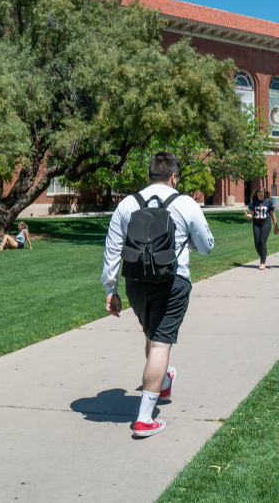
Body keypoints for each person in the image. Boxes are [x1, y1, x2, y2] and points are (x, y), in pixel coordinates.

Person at [102, 152, 214, 438]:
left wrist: (111, 290)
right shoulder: (185, 203)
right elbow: (206, 245)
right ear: (174, 177)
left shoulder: (128, 204)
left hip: (136, 282)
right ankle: (144, 419)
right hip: (173, 282)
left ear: (149, 175)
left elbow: (113, 249)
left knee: (152, 336)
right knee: (161, 345)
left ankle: (163, 381)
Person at [244, 187, 278, 270]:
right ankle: (262, 255)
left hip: (266, 222)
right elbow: (251, 215)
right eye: (259, 195)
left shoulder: (268, 202)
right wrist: (246, 215)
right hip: (256, 223)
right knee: (257, 243)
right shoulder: (253, 202)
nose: (260, 196)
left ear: (264, 194)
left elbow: (273, 215)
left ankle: (263, 263)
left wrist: (276, 226)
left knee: (263, 241)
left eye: (262, 195)